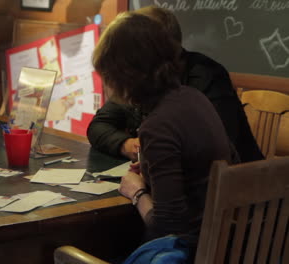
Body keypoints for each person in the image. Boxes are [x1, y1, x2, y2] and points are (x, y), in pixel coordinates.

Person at [91, 11, 234, 261]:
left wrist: (137, 192)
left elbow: (167, 227)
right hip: (224, 244)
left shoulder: (157, 125)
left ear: (123, 74)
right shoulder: (193, 97)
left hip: (190, 252)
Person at [87, 6, 263, 163]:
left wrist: (139, 190)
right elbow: (97, 126)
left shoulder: (204, 77)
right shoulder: (139, 82)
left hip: (239, 187)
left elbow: (215, 148)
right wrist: (127, 145)